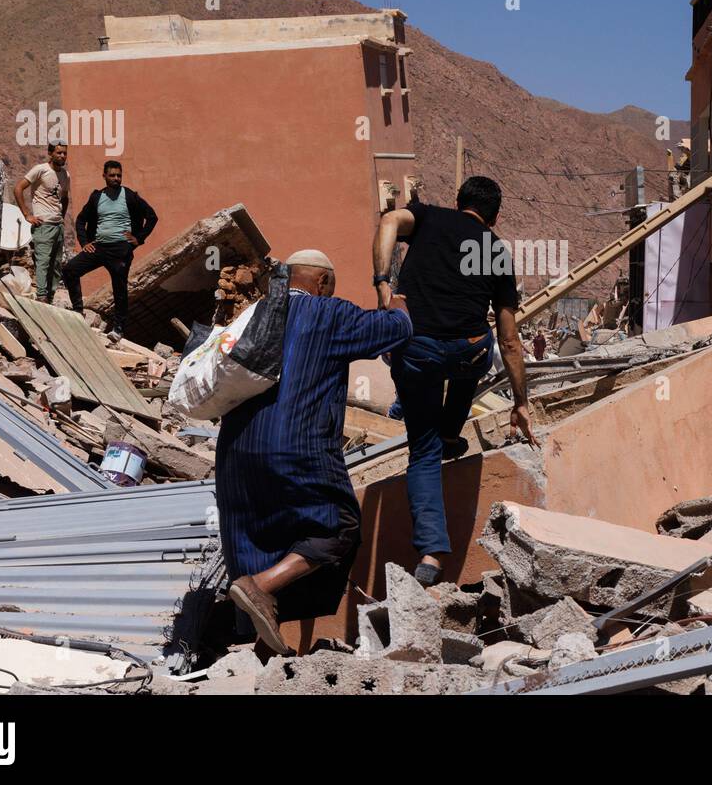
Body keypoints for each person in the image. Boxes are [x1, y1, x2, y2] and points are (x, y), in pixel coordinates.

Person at [216, 251, 411, 653]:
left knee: (263, 540)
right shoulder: (328, 313)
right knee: (336, 527)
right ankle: (261, 586)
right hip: (296, 445)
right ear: (321, 282)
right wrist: (398, 299)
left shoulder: (254, 314)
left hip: (235, 452)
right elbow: (394, 328)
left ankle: (264, 649)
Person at [372, 175, 538, 586]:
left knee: (423, 453)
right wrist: (520, 401)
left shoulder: (429, 218)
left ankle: (430, 554)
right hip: (469, 351)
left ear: (458, 201)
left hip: (418, 350)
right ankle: (450, 430)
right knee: (475, 354)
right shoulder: (497, 252)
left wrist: (383, 282)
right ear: (495, 216)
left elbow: (389, 222)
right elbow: (510, 339)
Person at [62, 160, 158, 340]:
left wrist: (138, 239)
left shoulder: (129, 196)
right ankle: (77, 311)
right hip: (98, 247)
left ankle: (119, 328)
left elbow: (152, 217)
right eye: (112, 175)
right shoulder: (97, 197)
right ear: (104, 176)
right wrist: (84, 242)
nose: (116, 178)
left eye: (119, 175)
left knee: (119, 288)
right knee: (70, 270)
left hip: (120, 249)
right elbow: (81, 220)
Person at [13, 140, 71, 303]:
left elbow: (64, 197)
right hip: (43, 225)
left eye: (64, 153)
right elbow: (18, 188)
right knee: (43, 262)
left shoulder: (65, 175)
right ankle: (41, 295)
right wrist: (27, 214)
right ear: (51, 153)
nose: (62, 156)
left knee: (56, 265)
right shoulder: (40, 170)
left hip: (57, 225)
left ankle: (50, 297)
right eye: (59, 152)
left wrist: (61, 217)